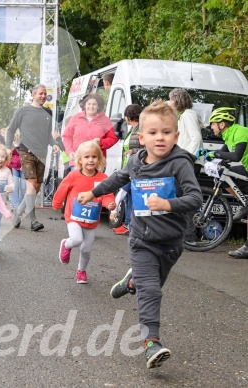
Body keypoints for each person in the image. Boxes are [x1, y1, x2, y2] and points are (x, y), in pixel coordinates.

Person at [77, 100, 203, 369]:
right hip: (142, 239)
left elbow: (195, 198)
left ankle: (131, 282)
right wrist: (93, 192)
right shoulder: (135, 161)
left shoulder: (180, 164)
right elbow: (118, 179)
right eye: (154, 132)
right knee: (152, 291)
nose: (160, 138)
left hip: (171, 243)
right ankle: (151, 343)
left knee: (150, 285)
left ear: (176, 136)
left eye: (167, 132)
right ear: (141, 136)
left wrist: (168, 204)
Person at [53, 141, 116, 283]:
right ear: (80, 160)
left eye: (94, 157)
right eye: (87, 157)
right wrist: (57, 203)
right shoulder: (73, 176)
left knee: (86, 250)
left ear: (99, 159)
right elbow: (62, 189)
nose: (91, 160)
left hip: (91, 221)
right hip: (74, 217)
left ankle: (81, 271)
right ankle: (66, 244)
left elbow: (106, 195)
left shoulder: (102, 179)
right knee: (76, 239)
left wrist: (110, 204)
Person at [6, 84, 55, 232]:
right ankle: (33, 221)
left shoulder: (48, 112)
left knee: (36, 188)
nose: (43, 96)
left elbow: (48, 135)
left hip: (42, 153)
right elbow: (11, 129)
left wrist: (54, 144)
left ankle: (18, 213)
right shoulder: (23, 110)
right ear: (33, 95)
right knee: (31, 185)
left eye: (45, 94)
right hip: (26, 151)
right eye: (40, 93)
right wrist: (8, 146)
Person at [197, 107, 248, 223]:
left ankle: (245, 204)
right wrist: (205, 153)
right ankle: (243, 202)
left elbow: (236, 157)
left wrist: (215, 153)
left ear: (222, 124)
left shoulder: (240, 132)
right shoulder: (228, 135)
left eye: (213, 124)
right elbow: (223, 154)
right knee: (221, 176)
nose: (211, 127)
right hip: (247, 168)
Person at [111, 104, 144, 235]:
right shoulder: (133, 129)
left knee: (127, 195)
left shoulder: (140, 129)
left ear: (128, 117)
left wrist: (133, 150)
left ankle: (129, 225)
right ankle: (127, 224)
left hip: (137, 169)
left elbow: (146, 148)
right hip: (129, 167)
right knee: (128, 197)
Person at [62, 93, 118, 167]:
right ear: (84, 105)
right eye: (89, 104)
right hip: (78, 161)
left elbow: (113, 138)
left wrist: (101, 142)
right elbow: (66, 137)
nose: (91, 106)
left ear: (98, 106)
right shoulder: (76, 118)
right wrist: (70, 151)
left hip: (97, 162)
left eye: (94, 104)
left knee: (97, 179)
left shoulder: (105, 120)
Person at [168, 88, 204, 176]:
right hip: (185, 160)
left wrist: (190, 158)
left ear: (177, 101)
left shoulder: (188, 114)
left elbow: (196, 138)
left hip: (190, 161)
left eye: (171, 99)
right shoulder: (182, 115)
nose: (169, 102)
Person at [10, 130, 26, 212]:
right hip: (14, 166)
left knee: (23, 187)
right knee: (15, 186)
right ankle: (15, 205)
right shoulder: (12, 143)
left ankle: (20, 205)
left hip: (24, 167)